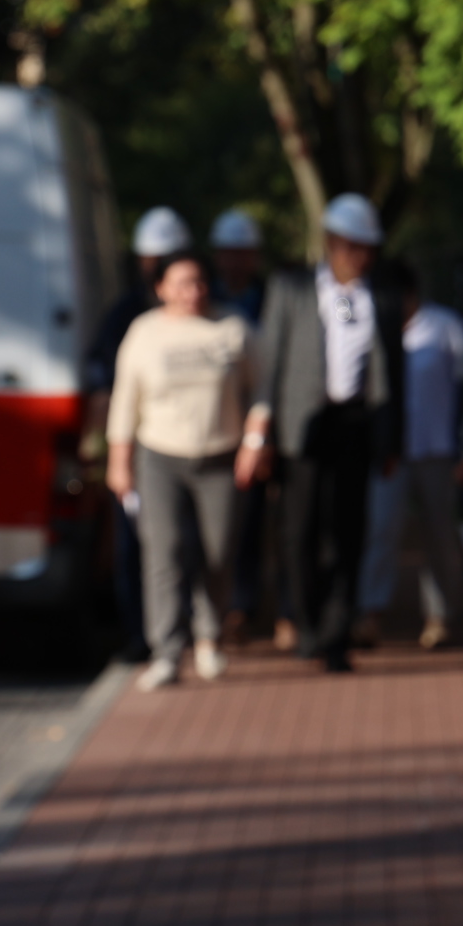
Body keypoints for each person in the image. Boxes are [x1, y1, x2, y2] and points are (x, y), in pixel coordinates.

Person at [241, 194, 405, 673]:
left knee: (349, 531)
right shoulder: (292, 288)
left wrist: (391, 439)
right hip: (303, 427)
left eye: (367, 248)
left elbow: (393, 374)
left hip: (356, 424)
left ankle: (337, 632)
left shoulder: (382, 296)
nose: (360, 257)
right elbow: (270, 365)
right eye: (352, 246)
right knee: (300, 530)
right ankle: (307, 622)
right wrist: (262, 434)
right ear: (332, 243)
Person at [106, 252, 258, 692]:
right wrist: (119, 461)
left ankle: (209, 637)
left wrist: (255, 441)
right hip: (159, 455)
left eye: (198, 282)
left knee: (217, 551)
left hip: (220, 455)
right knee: (165, 551)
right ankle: (166, 652)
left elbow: (260, 387)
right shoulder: (144, 332)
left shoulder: (232, 328)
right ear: (161, 288)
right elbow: (125, 399)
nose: (192, 292)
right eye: (181, 283)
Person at [87, 206, 192, 663]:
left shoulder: (205, 315)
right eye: (150, 261)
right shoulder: (126, 316)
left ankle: (186, 630)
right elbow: (108, 386)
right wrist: (111, 453)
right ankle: (141, 634)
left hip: (189, 447)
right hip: (141, 448)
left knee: (184, 545)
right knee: (134, 545)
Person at [356, 268, 463, 650]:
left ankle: (440, 615)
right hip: (390, 451)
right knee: (381, 529)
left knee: (440, 533)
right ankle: (371, 611)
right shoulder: (370, 325)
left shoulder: (444, 326)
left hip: (436, 448)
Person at [207, 207, 283, 645]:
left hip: (265, 419)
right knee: (225, 522)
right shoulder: (204, 298)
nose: (235, 261)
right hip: (220, 423)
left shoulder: (273, 297)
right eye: (228, 252)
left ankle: (254, 603)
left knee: (261, 521)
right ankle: (226, 605)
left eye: (243, 252)